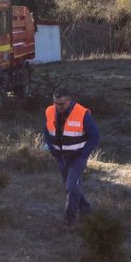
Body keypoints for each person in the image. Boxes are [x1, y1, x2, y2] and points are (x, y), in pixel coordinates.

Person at [42, 85, 99, 226]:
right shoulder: (50, 111)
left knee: (72, 187)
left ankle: (69, 222)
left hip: (77, 158)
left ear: (69, 101)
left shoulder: (82, 113)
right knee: (70, 186)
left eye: (61, 104)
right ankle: (86, 210)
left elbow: (95, 136)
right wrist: (52, 149)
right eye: (55, 103)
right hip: (60, 157)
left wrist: (84, 154)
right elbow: (47, 131)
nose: (58, 107)